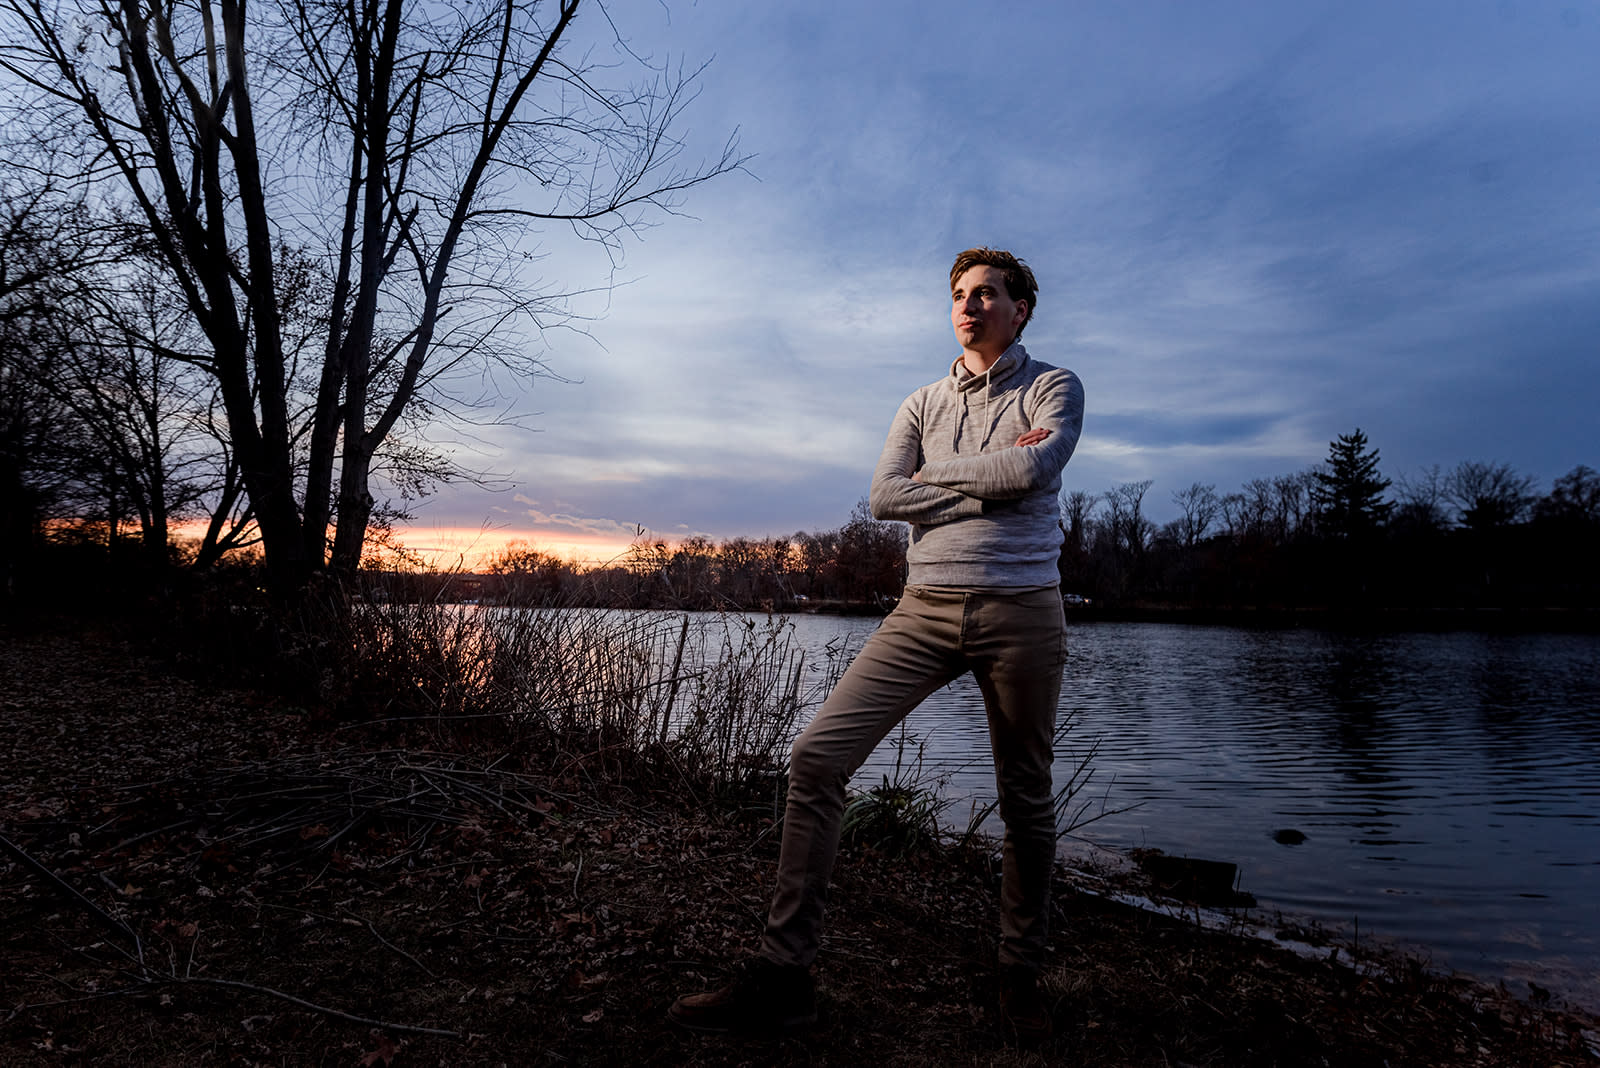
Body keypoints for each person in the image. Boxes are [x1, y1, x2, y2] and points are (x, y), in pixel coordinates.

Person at [669, 247, 1085, 1044]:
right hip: (922, 609)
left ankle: (1020, 974)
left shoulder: (1054, 386)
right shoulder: (921, 401)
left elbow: (1038, 469)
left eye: (989, 294)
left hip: (1023, 610)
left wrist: (946, 482)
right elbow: (883, 495)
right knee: (818, 760)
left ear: (1021, 308)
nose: (971, 305)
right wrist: (983, 480)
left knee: (1026, 794)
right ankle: (786, 975)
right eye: (960, 295)